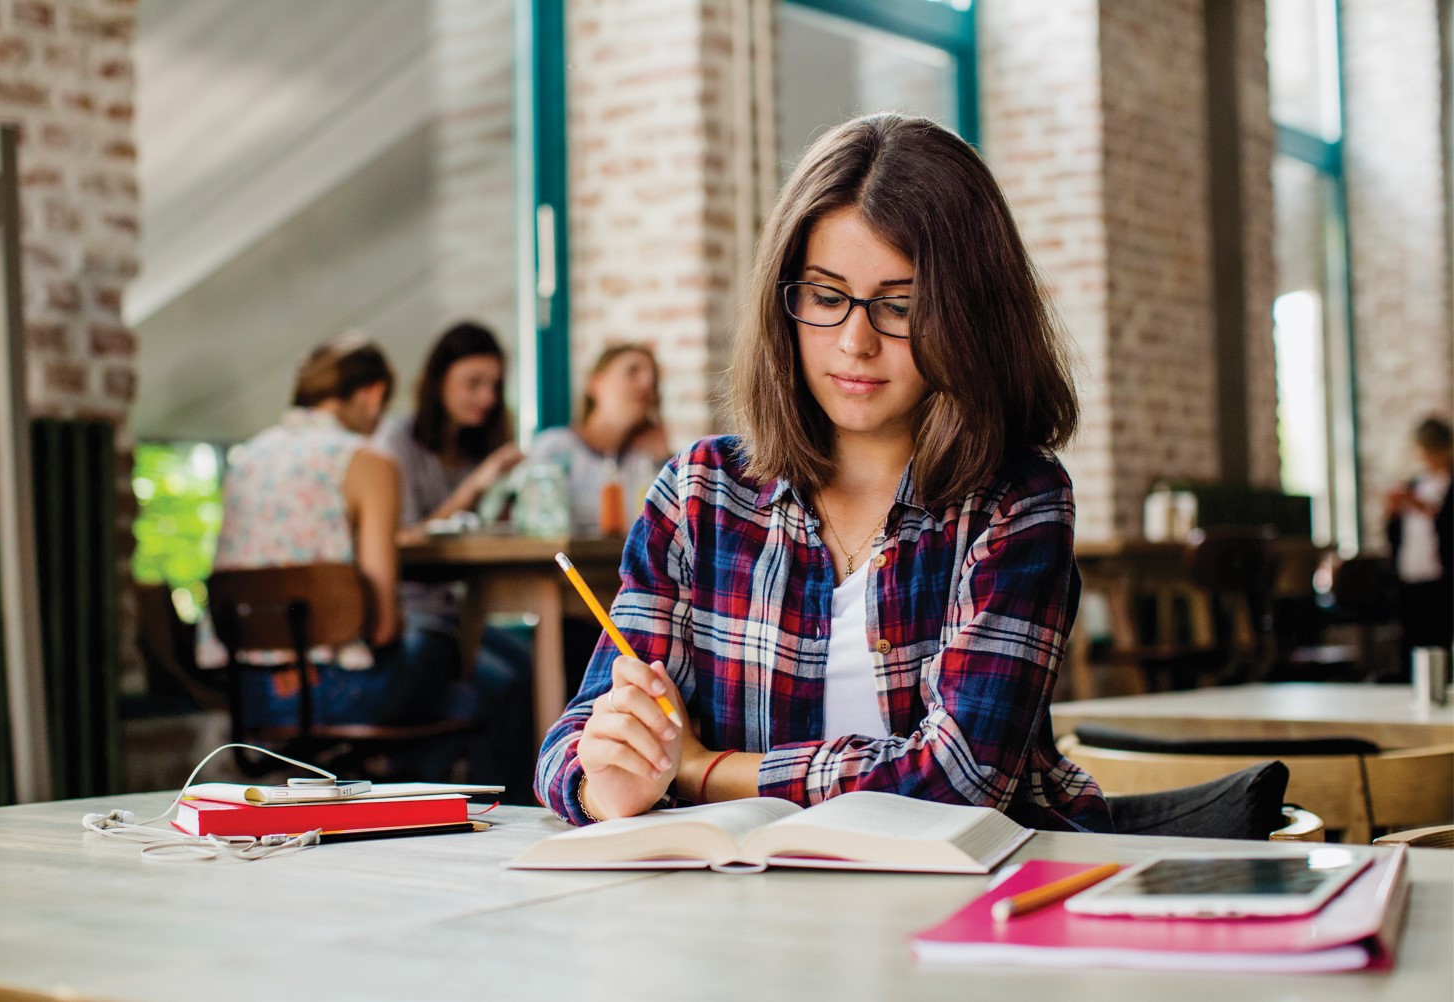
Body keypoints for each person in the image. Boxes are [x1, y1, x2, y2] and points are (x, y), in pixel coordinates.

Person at [535, 113, 1111, 833]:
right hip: (747, 904)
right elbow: (573, 743)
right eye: (826, 296)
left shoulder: (1016, 500)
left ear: (970, 316)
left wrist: (699, 769)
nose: (854, 341)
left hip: (973, 905)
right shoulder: (700, 494)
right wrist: (607, 783)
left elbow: (962, 780)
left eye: (900, 306)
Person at [207, 333, 468, 765]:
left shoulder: (246, 458)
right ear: (373, 395)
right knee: (455, 665)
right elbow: (384, 626)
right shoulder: (368, 461)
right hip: (339, 694)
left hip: (248, 696)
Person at [371, 321, 533, 798]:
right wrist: (473, 488)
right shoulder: (395, 441)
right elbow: (398, 539)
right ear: (439, 380)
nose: (485, 397)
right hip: (410, 611)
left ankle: (513, 804)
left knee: (527, 667)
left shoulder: (471, 447)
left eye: (494, 385)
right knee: (498, 682)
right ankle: (476, 803)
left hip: (459, 610)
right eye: (473, 383)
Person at [526, 343, 672, 534]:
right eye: (632, 372)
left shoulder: (649, 459)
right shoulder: (555, 448)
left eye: (653, 380)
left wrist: (664, 462)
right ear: (595, 383)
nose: (646, 384)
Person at [1384, 416, 1453, 667]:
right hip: (1411, 573)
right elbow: (1397, 534)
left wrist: (1429, 510)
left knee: (1440, 639)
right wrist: (1392, 515)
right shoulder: (1414, 484)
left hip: (1442, 575)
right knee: (1411, 641)